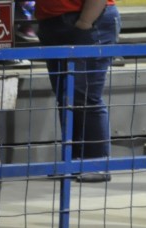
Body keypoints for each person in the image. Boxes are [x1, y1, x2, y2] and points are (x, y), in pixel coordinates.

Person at [35, 0, 121, 183]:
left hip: (87, 20)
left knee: (86, 96)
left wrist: (85, 22)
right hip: (55, 23)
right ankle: (72, 163)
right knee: (66, 97)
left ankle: (97, 164)